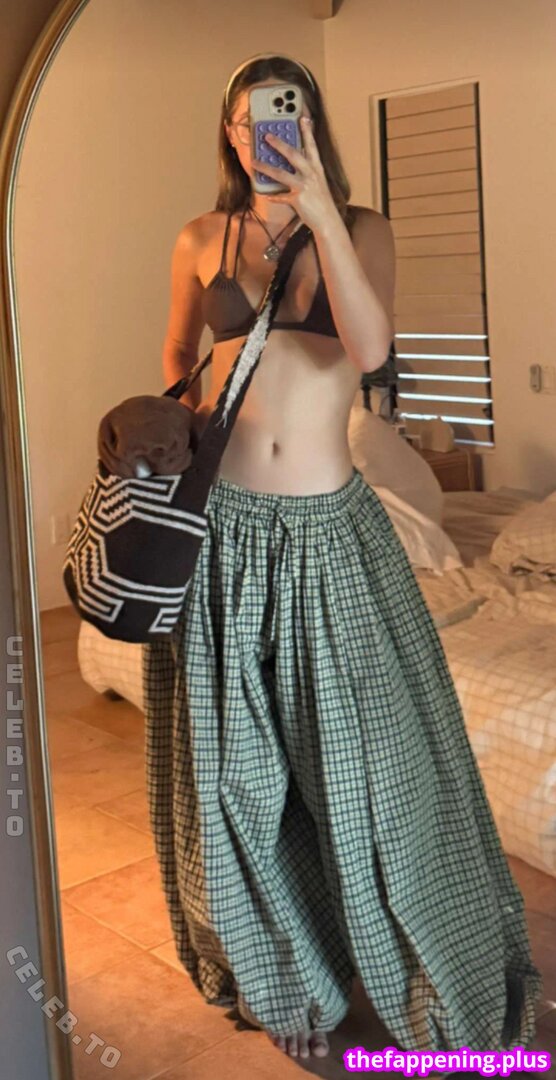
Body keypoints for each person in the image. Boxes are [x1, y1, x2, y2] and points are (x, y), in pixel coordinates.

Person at [143, 53, 542, 1062]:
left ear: (311, 125)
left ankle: (416, 969)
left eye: (281, 117)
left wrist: (319, 209)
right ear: (228, 133)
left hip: (331, 534)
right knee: (240, 779)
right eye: (245, 122)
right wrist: (182, 421)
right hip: (229, 535)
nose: (260, 137)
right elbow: (179, 359)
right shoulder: (199, 237)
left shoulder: (362, 231)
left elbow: (370, 352)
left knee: (372, 771)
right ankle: (288, 980)